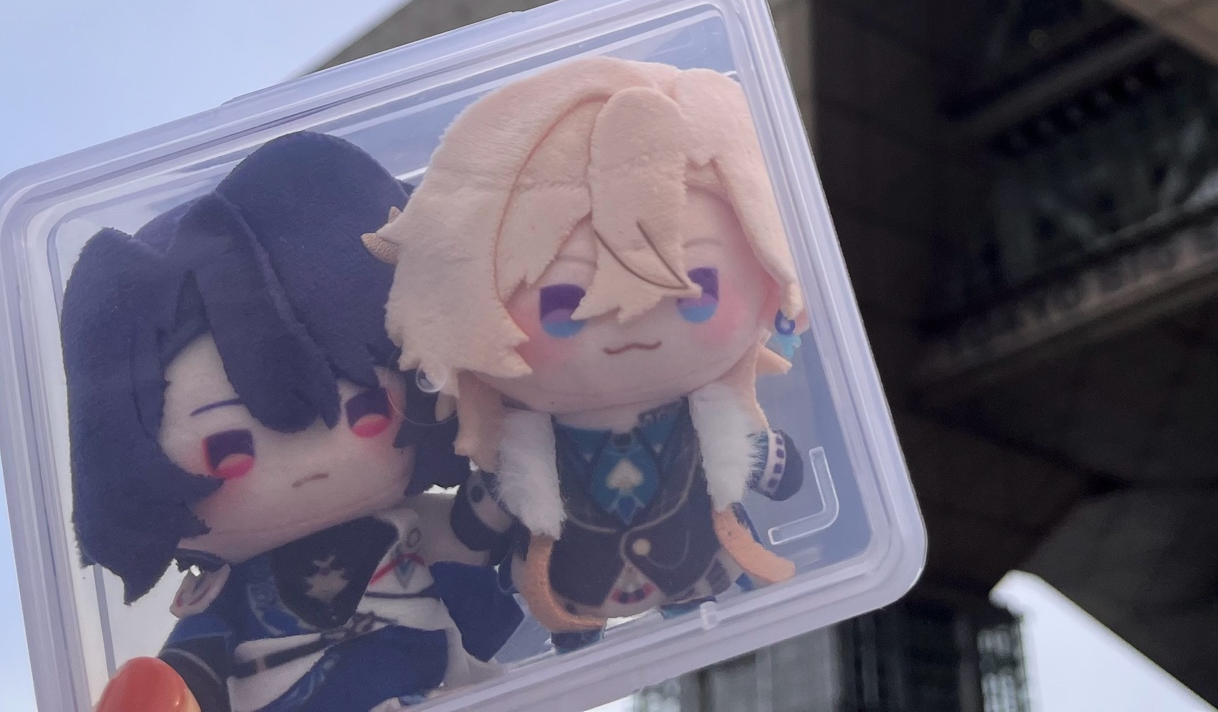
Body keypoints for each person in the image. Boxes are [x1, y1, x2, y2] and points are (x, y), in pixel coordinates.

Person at [64, 133, 522, 712]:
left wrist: (520, 477)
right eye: (227, 448)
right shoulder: (228, 592)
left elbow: (476, 536)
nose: (308, 466)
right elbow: (197, 664)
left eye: (364, 412)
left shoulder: (409, 526)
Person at [363, 58, 807, 637]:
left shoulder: (710, 422)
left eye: (694, 291)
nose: (628, 323)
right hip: (573, 592)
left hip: (701, 572)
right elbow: (477, 523)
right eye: (563, 306)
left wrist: (769, 458)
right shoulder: (523, 449)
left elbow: (780, 472)